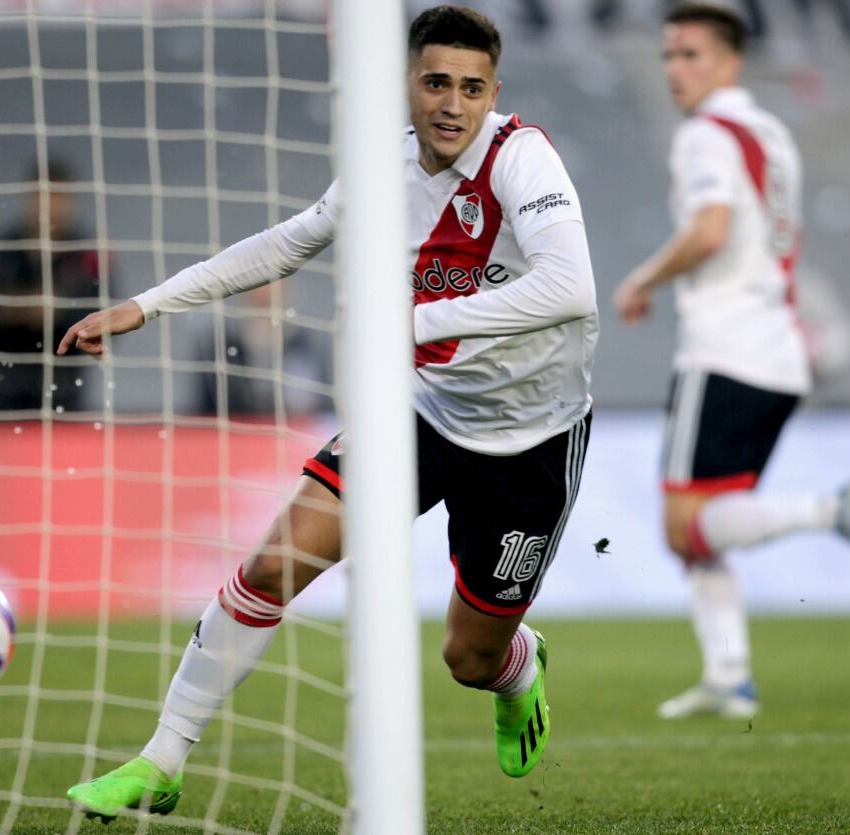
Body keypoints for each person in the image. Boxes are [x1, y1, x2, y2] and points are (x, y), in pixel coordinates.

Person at [58, 5, 597, 821]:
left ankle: (517, 667)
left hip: (532, 439)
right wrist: (146, 305)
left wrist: (412, 324)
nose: (452, 104)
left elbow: (570, 287)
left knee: (467, 654)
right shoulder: (384, 169)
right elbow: (288, 241)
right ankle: (161, 757)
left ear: (494, 94)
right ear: (408, 84)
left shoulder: (523, 161)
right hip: (418, 412)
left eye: (471, 88)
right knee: (274, 566)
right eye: (436, 83)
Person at [612, 3, 850, 720]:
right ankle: (728, 673)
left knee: (685, 526)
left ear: (730, 61)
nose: (675, 69)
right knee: (712, 521)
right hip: (779, 352)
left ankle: (829, 509)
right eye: (669, 54)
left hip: (724, 347)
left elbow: (710, 230)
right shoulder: (772, 133)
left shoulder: (704, 135)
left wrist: (643, 278)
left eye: (691, 55)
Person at [0, 158, 107, 413]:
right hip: (3, 387)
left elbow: (107, 318)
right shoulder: (0, 250)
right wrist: (12, 310)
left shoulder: (88, 253)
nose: (50, 205)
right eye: (43, 195)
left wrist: (58, 313)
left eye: (58, 196)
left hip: (66, 389)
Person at [187, 284, 331, 417]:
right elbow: (206, 408)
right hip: (239, 437)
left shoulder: (305, 344)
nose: (269, 290)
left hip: (293, 438)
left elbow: (322, 406)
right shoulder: (220, 346)